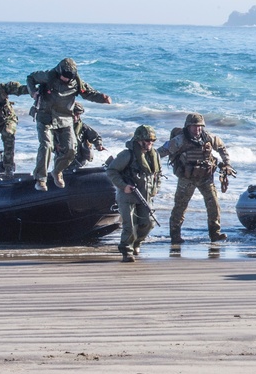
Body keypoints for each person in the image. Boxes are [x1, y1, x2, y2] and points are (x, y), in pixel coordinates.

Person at [26, 57, 111, 191]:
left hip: (65, 118)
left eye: (69, 78)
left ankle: (57, 171)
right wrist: (33, 92)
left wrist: (102, 98)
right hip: (45, 116)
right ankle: (40, 179)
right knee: (46, 145)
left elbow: (88, 93)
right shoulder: (48, 76)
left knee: (71, 148)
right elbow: (30, 78)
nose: (66, 80)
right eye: (64, 77)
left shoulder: (76, 82)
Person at [157, 112, 233, 244]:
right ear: (188, 126)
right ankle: (175, 235)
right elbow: (159, 153)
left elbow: (222, 147)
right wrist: (149, 165)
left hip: (206, 178)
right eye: (194, 126)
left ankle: (215, 234)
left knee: (214, 206)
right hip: (187, 179)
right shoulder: (179, 140)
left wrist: (226, 163)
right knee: (180, 207)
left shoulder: (208, 137)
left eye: (200, 126)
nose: (197, 129)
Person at [106, 125, 162, 262]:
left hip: (146, 195)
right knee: (129, 225)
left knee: (149, 222)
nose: (150, 143)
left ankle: (137, 242)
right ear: (138, 140)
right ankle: (126, 251)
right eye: (147, 140)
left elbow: (158, 174)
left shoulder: (154, 155)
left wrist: (156, 188)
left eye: (152, 141)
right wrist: (123, 186)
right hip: (127, 196)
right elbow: (111, 171)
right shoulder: (127, 155)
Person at [64, 102, 105, 171]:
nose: (75, 117)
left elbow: (96, 137)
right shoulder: (59, 127)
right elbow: (49, 141)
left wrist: (98, 145)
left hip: (80, 161)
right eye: (73, 114)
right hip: (63, 161)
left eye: (77, 114)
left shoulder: (82, 127)